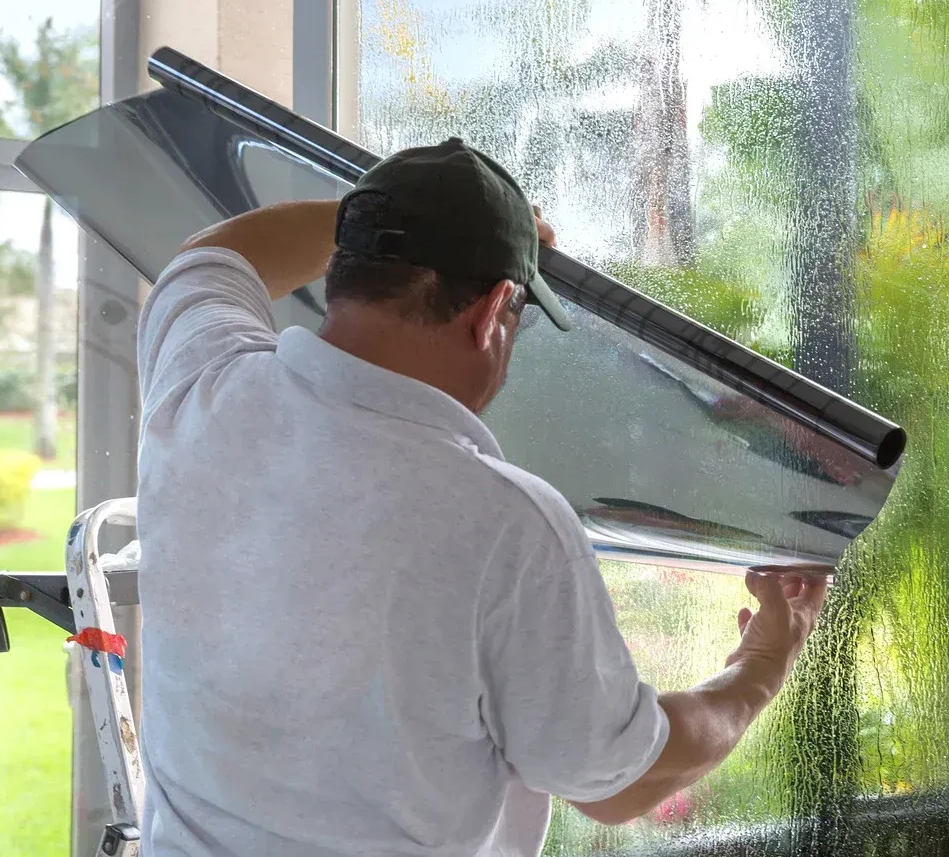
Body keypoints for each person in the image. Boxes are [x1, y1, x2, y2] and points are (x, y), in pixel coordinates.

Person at [135, 137, 828, 857]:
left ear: (349, 265)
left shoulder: (201, 383)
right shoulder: (505, 524)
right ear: (496, 309)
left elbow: (216, 253)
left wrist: (389, 215)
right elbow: (617, 780)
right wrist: (764, 663)